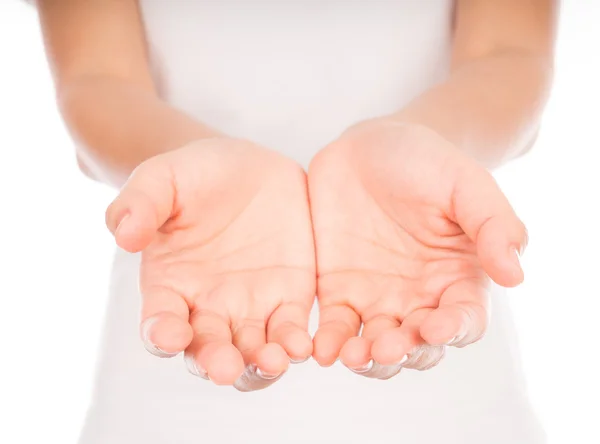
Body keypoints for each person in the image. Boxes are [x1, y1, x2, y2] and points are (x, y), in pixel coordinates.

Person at [34, 0, 557, 442]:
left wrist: (427, 141)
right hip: (195, 306)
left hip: (428, 309)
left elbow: (509, 55)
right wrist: (182, 165)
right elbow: (95, 79)